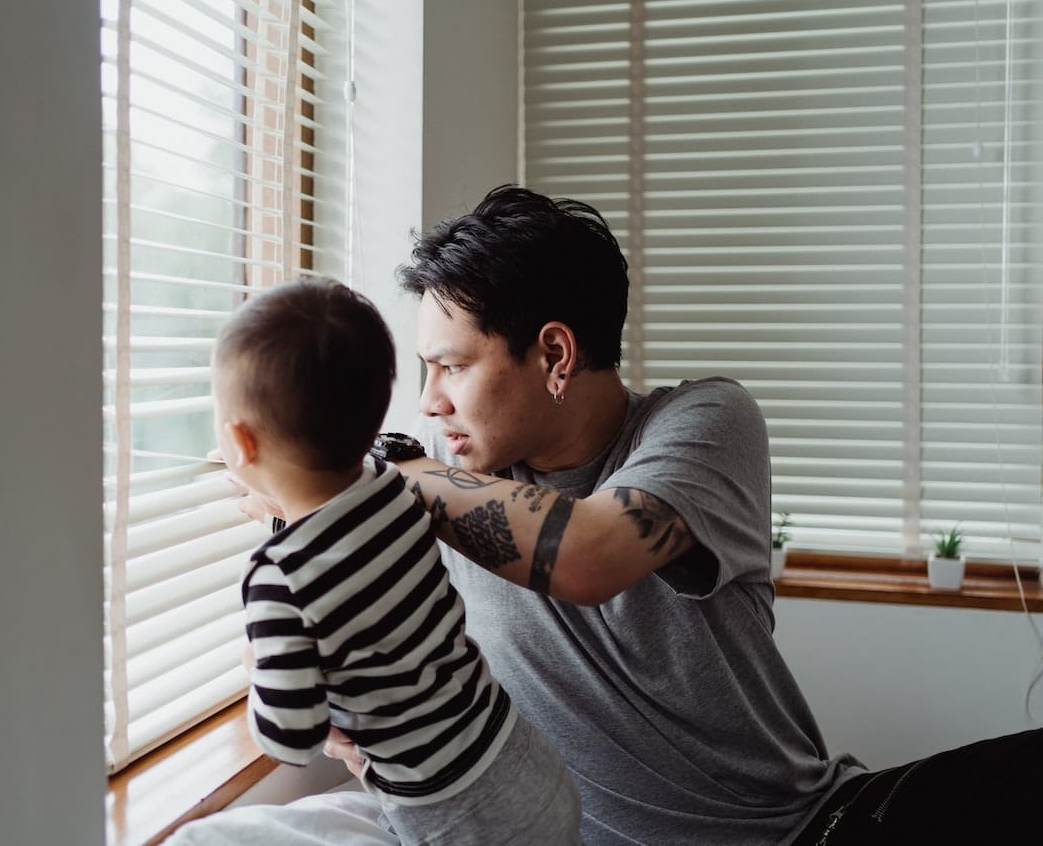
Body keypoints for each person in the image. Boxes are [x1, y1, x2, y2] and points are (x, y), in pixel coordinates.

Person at [173, 187, 1042, 846]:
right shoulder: (419, 498)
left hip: (805, 830)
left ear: (553, 352)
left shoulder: (700, 422)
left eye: (452, 366)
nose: (428, 400)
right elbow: (353, 687)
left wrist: (373, 484)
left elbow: (588, 552)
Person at [204, 277, 581, 846]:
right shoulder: (394, 486)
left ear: (239, 442)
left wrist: (262, 667)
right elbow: (350, 549)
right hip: (525, 760)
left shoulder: (277, 578)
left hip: (458, 815)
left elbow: (293, 739)